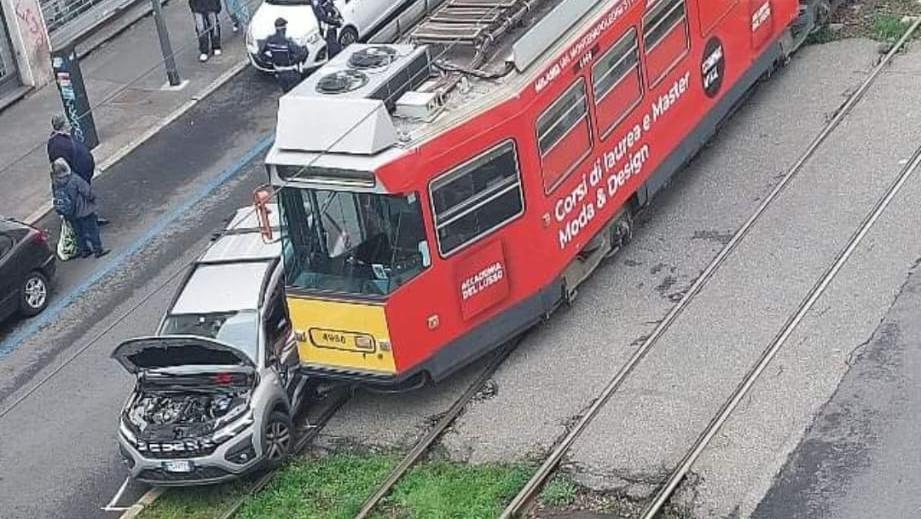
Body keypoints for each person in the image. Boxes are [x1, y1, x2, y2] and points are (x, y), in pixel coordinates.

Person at [47, 114, 109, 226]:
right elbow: (61, 166)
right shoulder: (58, 145)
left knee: (83, 200)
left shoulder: (62, 138)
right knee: (81, 200)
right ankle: (86, 224)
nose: (70, 124)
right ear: (63, 125)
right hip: (75, 178)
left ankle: (90, 219)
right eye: (67, 122)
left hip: (81, 175)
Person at [51, 159, 110, 259]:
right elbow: (87, 192)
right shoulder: (74, 179)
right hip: (84, 210)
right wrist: (92, 199)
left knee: (78, 232)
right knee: (92, 230)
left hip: (70, 212)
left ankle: (84, 250)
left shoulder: (55, 182)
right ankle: (98, 250)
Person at [261, 18, 308, 93]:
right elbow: (302, 54)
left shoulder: (270, 40)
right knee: (295, 94)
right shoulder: (287, 42)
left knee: (286, 93)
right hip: (291, 72)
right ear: (284, 28)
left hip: (279, 73)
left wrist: (273, 60)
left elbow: (262, 54)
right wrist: (293, 61)